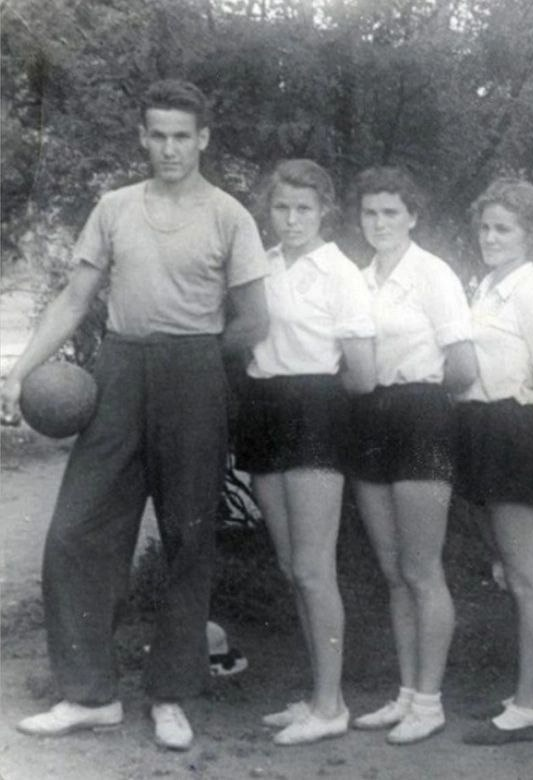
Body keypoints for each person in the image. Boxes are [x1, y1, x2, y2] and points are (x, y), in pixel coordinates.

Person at [2, 80, 268, 751]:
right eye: (159, 135)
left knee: (188, 536)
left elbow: (254, 321)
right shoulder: (116, 207)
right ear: (143, 138)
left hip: (195, 371)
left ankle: (172, 694)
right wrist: (18, 370)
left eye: (184, 136)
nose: (171, 148)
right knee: (76, 530)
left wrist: (203, 368)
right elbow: (74, 298)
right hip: (120, 368)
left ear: (203, 139)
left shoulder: (230, 215)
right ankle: (89, 693)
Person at [236, 160, 376, 745]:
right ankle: (318, 694)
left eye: (304, 209)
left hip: (316, 409)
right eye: (281, 208)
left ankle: (330, 705)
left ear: (324, 212)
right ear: (268, 210)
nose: (291, 219)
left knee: (315, 569)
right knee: (293, 565)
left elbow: (364, 375)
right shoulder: (260, 266)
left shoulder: (340, 273)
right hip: (265, 405)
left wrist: (317, 403)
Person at [347, 167, 476, 745]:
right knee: (393, 569)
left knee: (423, 569)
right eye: (370, 213)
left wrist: (421, 399)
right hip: (369, 415)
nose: (379, 223)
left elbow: (465, 365)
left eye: (390, 213)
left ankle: (430, 701)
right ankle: (404, 695)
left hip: (422, 414)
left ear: (413, 217)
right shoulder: (358, 278)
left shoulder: (434, 274)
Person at [455, 179, 533, 745]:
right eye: (486, 227)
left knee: (526, 576)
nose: (491, 238)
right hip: (478, 427)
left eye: (505, 229)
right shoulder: (486, 287)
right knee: (509, 569)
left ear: (532, 235)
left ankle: (526, 708)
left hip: (515, 429)